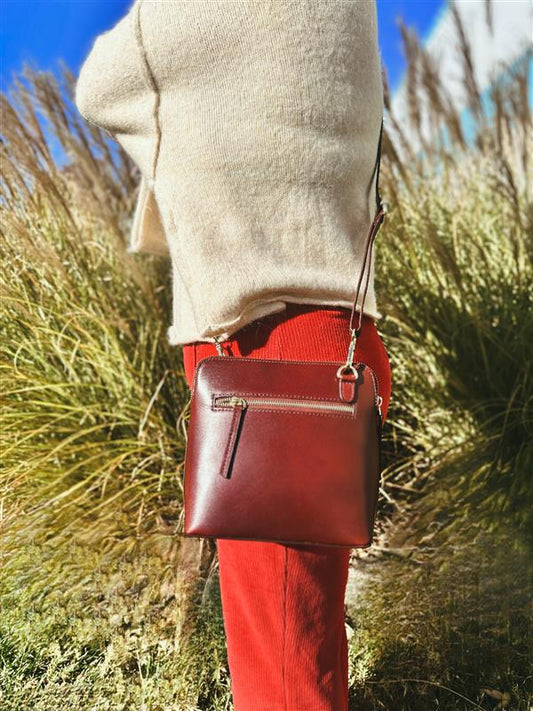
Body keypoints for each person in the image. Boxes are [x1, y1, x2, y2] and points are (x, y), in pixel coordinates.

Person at [75, 1, 391, 708]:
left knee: (280, 671)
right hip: (342, 347)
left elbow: (101, 83)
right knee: (302, 637)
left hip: (262, 358)